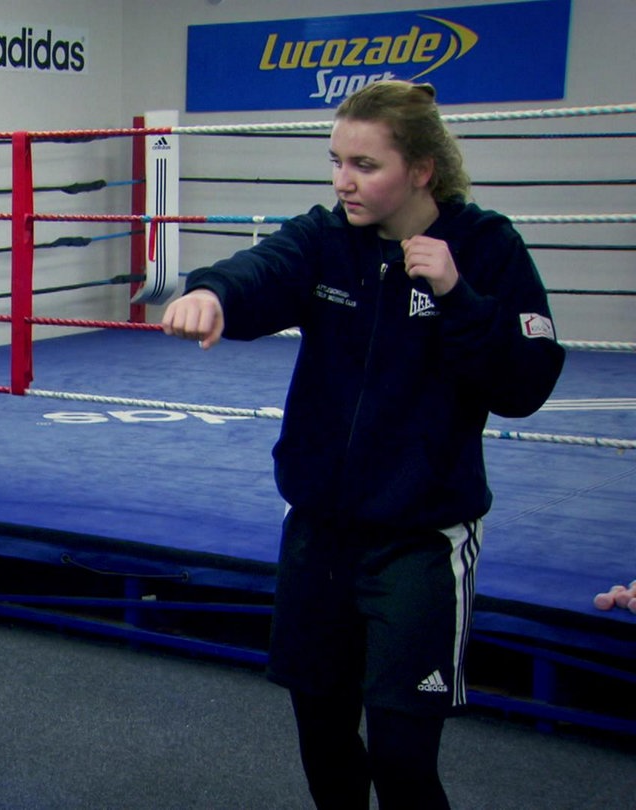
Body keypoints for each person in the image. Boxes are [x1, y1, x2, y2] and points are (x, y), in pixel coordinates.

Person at [161, 80, 565, 808]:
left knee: (403, 758)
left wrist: (457, 296)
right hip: (320, 532)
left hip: (420, 540)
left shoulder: (486, 246)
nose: (342, 181)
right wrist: (212, 292)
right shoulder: (327, 240)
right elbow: (265, 267)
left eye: (365, 165)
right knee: (324, 745)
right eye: (336, 161)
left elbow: (526, 383)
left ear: (421, 170)